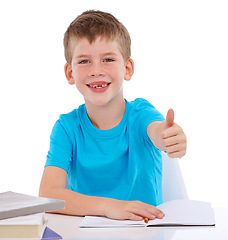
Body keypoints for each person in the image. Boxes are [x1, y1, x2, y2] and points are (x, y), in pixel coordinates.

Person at [39, 10, 187, 221]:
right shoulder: (66, 128)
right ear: (70, 73)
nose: (96, 70)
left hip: (143, 233)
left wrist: (168, 137)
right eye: (84, 61)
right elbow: (48, 195)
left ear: (127, 68)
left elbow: (156, 130)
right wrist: (110, 207)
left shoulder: (141, 113)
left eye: (107, 59)